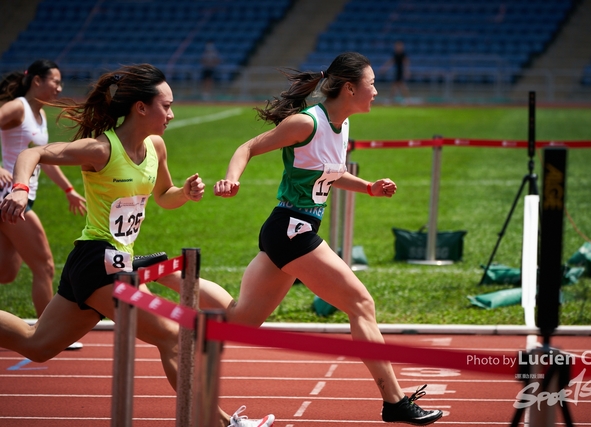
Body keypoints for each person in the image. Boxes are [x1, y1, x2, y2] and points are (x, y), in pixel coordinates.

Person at [0, 63, 273, 427]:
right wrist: (19, 190)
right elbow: (31, 154)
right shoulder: (100, 149)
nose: (172, 114)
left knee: (38, 345)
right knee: (173, 336)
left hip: (112, 263)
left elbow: (163, 196)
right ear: (140, 107)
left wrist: (186, 194)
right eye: (166, 106)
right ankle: (223, 424)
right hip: (97, 263)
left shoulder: (156, 146)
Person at [213, 52, 443, 425]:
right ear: (350, 88)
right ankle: (395, 401)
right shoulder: (306, 122)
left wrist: (368, 187)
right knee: (361, 304)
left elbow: (329, 173)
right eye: (371, 84)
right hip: (292, 230)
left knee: (238, 322)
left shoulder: (343, 123)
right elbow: (248, 147)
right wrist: (232, 178)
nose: (377, 91)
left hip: (289, 231)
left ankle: (168, 273)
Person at [0, 59, 87, 318]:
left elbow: (42, 158)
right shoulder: (19, 107)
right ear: (37, 81)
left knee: (6, 273)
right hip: (12, 196)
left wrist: (68, 189)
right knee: (45, 267)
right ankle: (47, 333)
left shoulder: (39, 114)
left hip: (24, 196)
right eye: (55, 82)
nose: (59, 88)